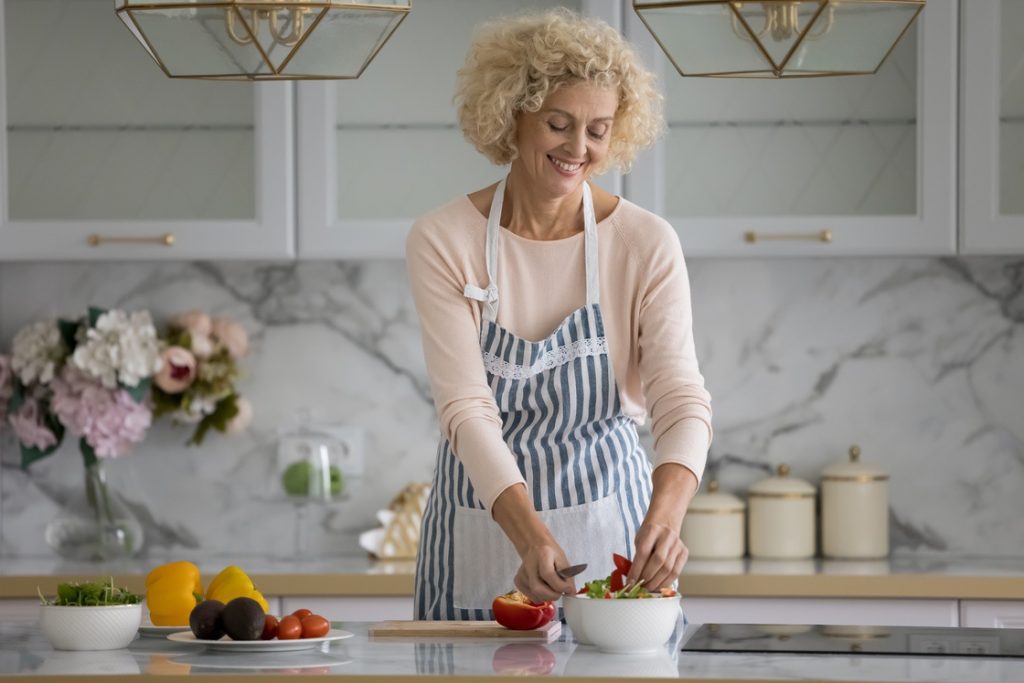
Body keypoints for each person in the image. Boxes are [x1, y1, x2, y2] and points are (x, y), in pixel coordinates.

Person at [406, 9, 712, 621]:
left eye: (598, 130)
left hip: (612, 523)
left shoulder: (644, 243)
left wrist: (667, 515)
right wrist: (528, 534)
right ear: (511, 114)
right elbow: (467, 409)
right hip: (485, 528)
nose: (578, 149)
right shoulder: (444, 238)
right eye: (558, 123)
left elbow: (679, 396)